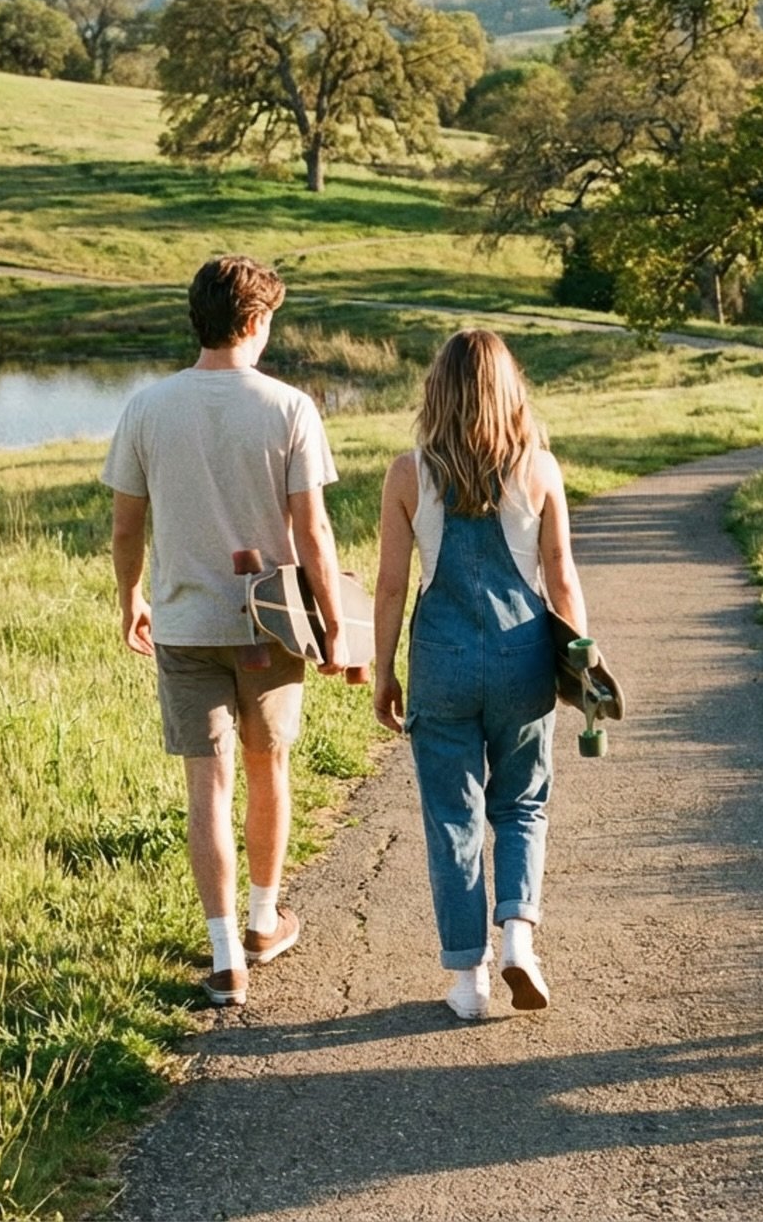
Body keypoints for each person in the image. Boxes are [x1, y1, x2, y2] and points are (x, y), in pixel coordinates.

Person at [103, 255, 348, 1007]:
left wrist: (130, 596)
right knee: (268, 768)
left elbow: (125, 529)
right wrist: (336, 626)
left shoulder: (147, 407)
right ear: (257, 321)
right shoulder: (289, 408)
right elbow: (313, 532)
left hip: (183, 625)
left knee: (204, 785)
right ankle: (264, 921)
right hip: (270, 627)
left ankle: (223, 961)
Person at [373, 329, 588, 1019]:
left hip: (441, 659)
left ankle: (469, 980)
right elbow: (560, 577)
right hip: (521, 655)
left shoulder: (408, 474)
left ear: (437, 391)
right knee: (523, 803)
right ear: (510, 391)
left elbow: (389, 587)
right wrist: (582, 656)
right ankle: (520, 937)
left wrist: (382, 671)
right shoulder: (539, 470)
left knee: (451, 815)